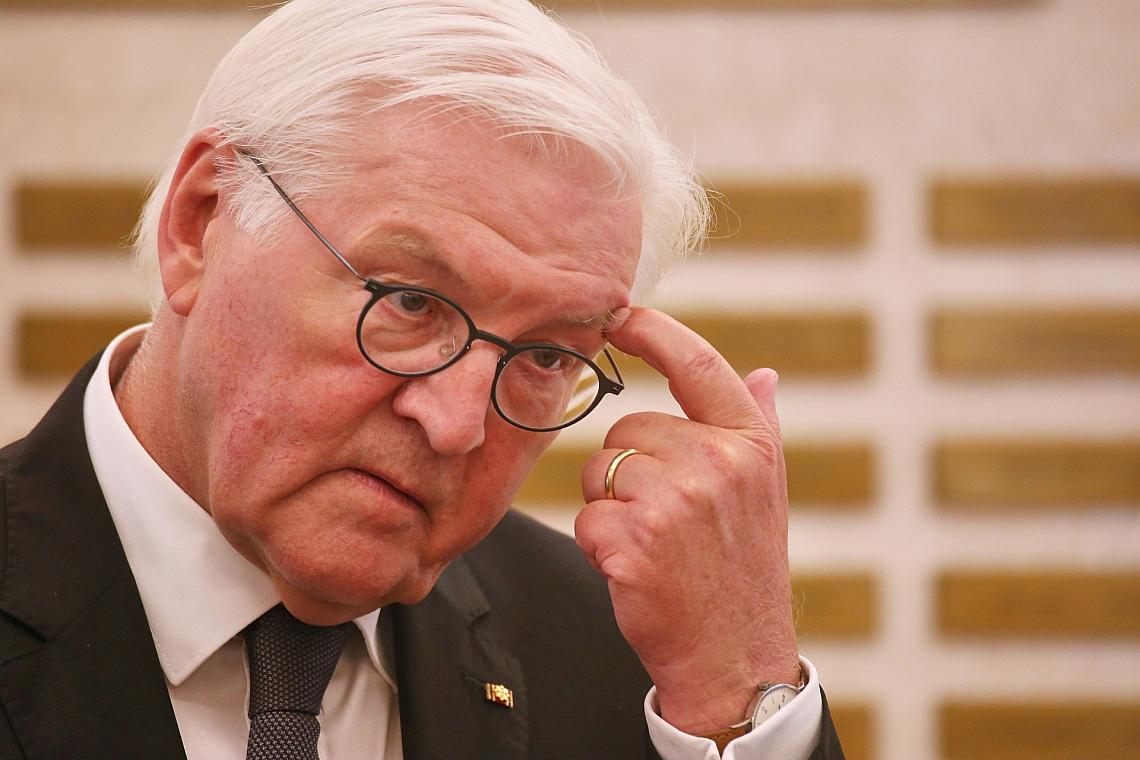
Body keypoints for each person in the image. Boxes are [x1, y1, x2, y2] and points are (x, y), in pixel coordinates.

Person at [0, 1, 845, 758]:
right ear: (202, 224)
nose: (456, 422)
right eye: (409, 302)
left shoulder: (626, 659)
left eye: (547, 356)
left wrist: (738, 693)